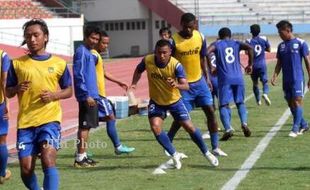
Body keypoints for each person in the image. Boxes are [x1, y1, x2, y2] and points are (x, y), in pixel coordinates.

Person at [130, 39, 219, 169]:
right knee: (155, 127)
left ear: (170, 52)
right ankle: (174, 154)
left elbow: (186, 86)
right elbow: (138, 70)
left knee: (189, 127)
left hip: (174, 101)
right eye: (159, 52)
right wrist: (134, 83)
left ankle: (206, 153)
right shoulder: (148, 60)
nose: (161, 56)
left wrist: (176, 84)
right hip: (157, 101)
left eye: (165, 53)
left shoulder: (176, 65)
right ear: (155, 51)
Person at [6, 19, 72, 190]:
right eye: (28, 36)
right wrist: (16, 88)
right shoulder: (17, 64)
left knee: (48, 158)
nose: (32, 40)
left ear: (46, 37)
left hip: (50, 120)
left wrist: (53, 95)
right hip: (26, 123)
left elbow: (69, 90)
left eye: (36, 35)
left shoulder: (59, 63)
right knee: (26, 170)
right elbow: (8, 92)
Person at [167, 13, 227, 156]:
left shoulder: (200, 37)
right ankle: (167, 141)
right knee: (181, 118)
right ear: (181, 24)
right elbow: (169, 63)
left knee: (211, 112)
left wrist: (207, 78)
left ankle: (215, 147)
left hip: (200, 83)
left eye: (192, 26)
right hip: (184, 86)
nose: (189, 30)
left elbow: (202, 58)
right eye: (187, 27)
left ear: (195, 25)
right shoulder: (173, 41)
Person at [207, 27, 254, 141]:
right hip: (238, 78)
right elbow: (250, 48)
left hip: (224, 79)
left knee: (223, 105)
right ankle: (244, 123)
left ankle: (228, 128)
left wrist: (211, 67)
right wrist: (250, 64)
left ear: (219, 35)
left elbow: (206, 52)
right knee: (240, 102)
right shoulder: (236, 43)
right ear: (230, 35)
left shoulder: (217, 44)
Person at [92, 30, 135, 154]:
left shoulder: (97, 55)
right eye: (104, 43)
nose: (106, 46)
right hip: (97, 94)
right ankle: (118, 146)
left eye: (107, 43)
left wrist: (119, 81)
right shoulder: (94, 55)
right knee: (110, 116)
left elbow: (104, 72)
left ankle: (80, 151)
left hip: (96, 94)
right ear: (97, 41)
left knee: (89, 122)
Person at [271, 20, 310, 137]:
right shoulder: (281, 46)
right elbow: (279, 63)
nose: (279, 35)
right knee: (290, 104)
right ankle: (304, 124)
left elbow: (307, 61)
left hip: (297, 78)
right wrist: (274, 75)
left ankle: (295, 129)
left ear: (288, 30)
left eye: (280, 32)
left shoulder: (301, 43)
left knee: (297, 102)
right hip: (286, 80)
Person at [73, 25, 101, 168]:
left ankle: (83, 156)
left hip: (92, 96)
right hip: (87, 97)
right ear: (85, 36)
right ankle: (79, 158)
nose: (94, 41)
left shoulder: (89, 52)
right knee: (84, 127)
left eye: (97, 39)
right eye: (92, 38)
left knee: (87, 127)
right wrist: (85, 95)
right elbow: (78, 75)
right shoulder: (81, 52)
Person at [246, 24, 271, 106]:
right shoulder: (264, 38)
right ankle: (265, 93)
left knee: (255, 83)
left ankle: (258, 101)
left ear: (251, 32)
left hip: (253, 65)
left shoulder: (248, 41)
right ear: (259, 31)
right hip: (262, 64)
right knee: (264, 82)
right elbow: (269, 49)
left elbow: (247, 52)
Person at [0, 49, 10, 184]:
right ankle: (1, 173)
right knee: (1, 140)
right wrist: (7, 105)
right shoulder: (2, 55)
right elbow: (4, 82)